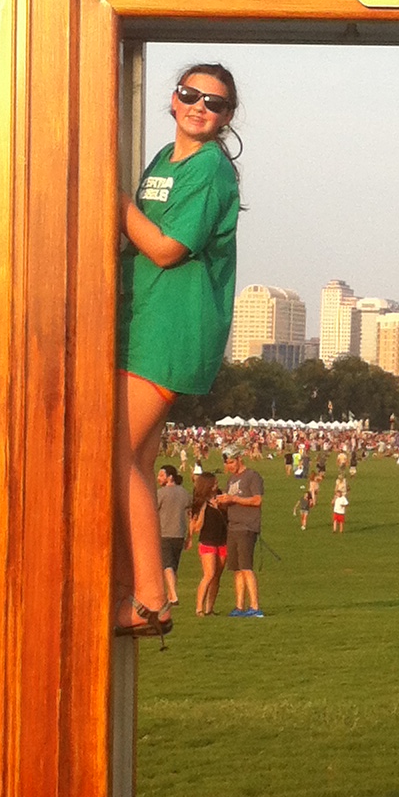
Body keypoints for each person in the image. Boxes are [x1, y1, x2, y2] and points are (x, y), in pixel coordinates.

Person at [116, 62, 242, 641]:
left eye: (214, 103)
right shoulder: (164, 162)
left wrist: (116, 205)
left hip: (173, 331)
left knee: (115, 457)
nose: (200, 107)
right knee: (135, 464)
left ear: (227, 117)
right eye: (191, 95)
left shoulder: (214, 170)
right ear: (172, 100)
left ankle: (149, 601)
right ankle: (138, 593)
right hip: (143, 324)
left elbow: (166, 249)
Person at [218, 453, 266, 615]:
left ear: (239, 459)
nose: (229, 466)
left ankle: (255, 606)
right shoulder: (231, 479)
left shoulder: (252, 476)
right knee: (236, 569)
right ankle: (239, 606)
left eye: (232, 462)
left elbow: (257, 500)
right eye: (227, 463)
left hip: (247, 526)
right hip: (232, 526)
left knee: (246, 567)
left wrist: (234, 499)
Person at [189, 471, 228, 616]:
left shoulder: (221, 497)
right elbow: (196, 528)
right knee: (209, 574)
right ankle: (199, 607)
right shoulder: (200, 502)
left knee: (217, 575)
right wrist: (205, 510)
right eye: (214, 483)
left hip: (222, 540)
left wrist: (221, 506)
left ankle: (210, 608)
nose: (217, 485)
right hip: (207, 541)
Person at [155, 464, 188, 608]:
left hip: (164, 532)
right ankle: (170, 594)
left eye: (161, 475)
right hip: (180, 533)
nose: (158, 478)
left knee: (167, 565)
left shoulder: (161, 493)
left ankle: (173, 596)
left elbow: (152, 510)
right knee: (173, 566)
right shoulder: (185, 493)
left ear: (170, 477)